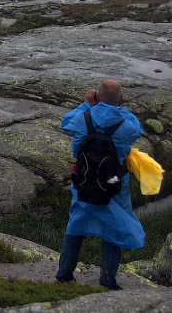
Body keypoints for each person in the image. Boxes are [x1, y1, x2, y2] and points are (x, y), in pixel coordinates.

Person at [55, 79, 145, 290]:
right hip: (114, 184)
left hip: (84, 182)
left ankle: (64, 275)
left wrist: (87, 104)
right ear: (120, 99)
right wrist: (119, 108)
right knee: (114, 227)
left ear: (97, 98)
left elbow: (64, 122)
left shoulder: (81, 118)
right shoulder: (126, 125)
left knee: (75, 226)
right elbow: (139, 129)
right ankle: (107, 280)